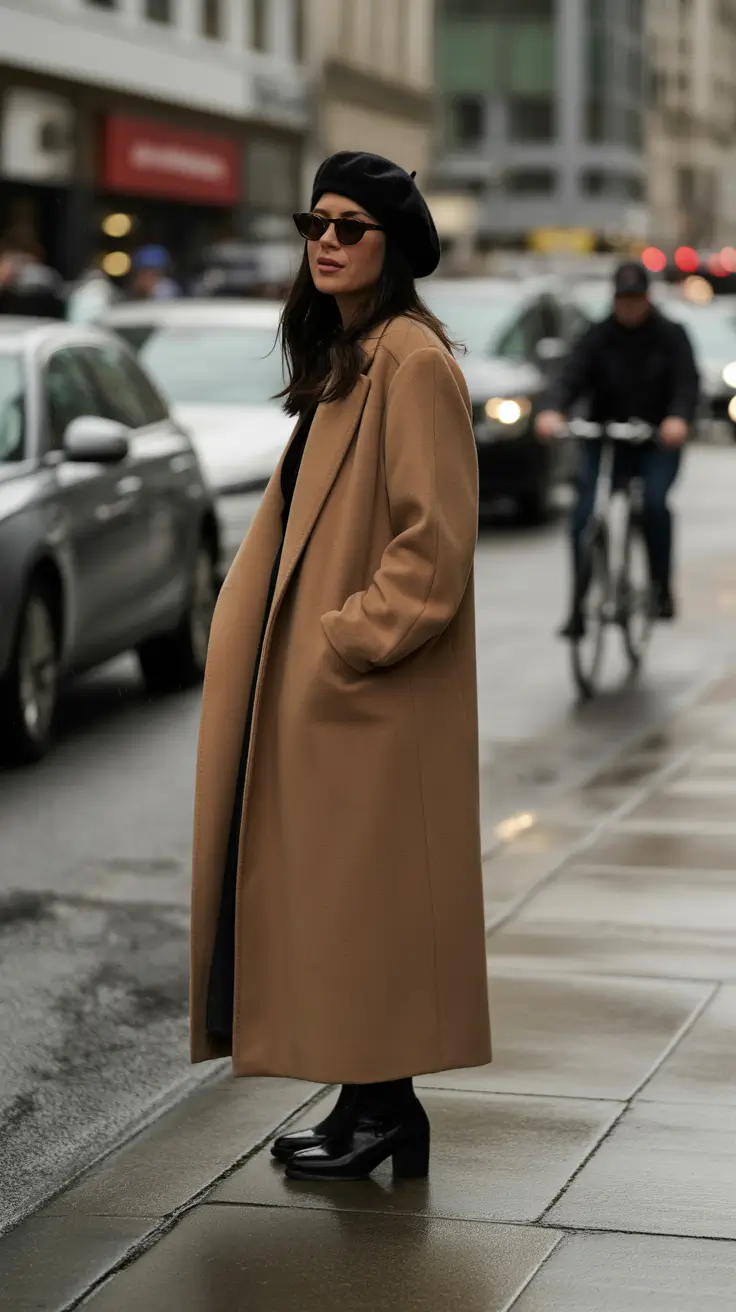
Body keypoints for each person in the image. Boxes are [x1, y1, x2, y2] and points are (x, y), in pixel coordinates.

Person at [189, 151, 492, 1183]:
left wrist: (343, 642)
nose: (324, 239)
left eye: (350, 225)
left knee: (371, 909)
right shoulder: (353, 355)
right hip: (341, 701)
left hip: (371, 697)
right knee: (352, 914)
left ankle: (381, 1111)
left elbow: (433, 544)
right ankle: (376, 1109)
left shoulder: (411, 360)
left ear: (394, 247)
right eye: (313, 221)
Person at [536, 261, 700, 637]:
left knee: (654, 504)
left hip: (656, 441)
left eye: (636, 299)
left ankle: (660, 589)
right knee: (583, 516)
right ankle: (578, 608)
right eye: (623, 300)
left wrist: (678, 418)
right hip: (605, 436)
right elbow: (571, 375)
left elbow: (686, 383)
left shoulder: (671, 335)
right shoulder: (598, 335)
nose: (629, 307)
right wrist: (553, 409)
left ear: (648, 298)